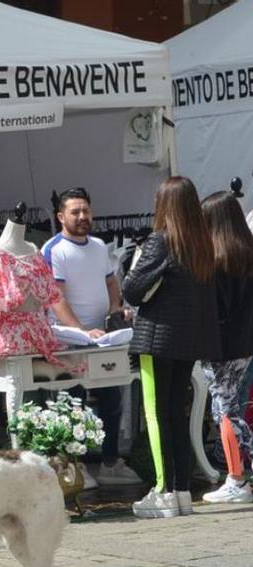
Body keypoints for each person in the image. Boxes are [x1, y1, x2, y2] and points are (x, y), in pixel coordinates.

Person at [124, 177, 221, 518]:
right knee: (176, 415)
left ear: (164, 204)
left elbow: (132, 290)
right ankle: (181, 491)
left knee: (156, 414)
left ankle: (164, 492)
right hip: (189, 341)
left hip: (158, 339)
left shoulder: (160, 240)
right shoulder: (202, 244)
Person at [42, 188, 144, 488]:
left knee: (113, 400)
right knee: (73, 403)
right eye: (75, 212)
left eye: (86, 210)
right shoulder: (53, 249)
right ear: (61, 216)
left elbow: (111, 283)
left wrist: (115, 311)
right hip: (68, 340)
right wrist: (82, 331)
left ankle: (110, 461)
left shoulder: (99, 246)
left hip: (103, 338)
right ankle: (77, 467)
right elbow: (55, 297)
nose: (82, 217)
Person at [199, 192, 253, 503]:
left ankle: (236, 478)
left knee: (226, 412)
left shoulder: (217, 262)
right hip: (245, 344)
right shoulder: (246, 254)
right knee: (232, 410)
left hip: (221, 348)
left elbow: (217, 312)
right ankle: (236, 476)